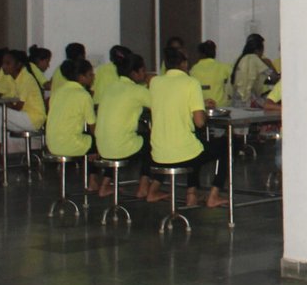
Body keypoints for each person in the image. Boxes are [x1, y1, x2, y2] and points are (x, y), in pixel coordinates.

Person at [144, 48, 227, 208]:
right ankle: (213, 195)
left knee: (196, 143)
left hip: (158, 153)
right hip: (184, 153)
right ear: (184, 64)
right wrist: (202, 110)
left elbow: (171, 100)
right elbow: (200, 122)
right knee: (223, 146)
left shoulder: (155, 83)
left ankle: (192, 195)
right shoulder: (191, 83)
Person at [0, 50, 46, 164]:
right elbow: (9, 99)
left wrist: (1, 101)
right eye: (3, 63)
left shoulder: (26, 79)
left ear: (18, 65)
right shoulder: (12, 79)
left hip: (33, 119)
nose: (4, 67)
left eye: (8, 64)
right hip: (22, 117)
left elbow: (17, 107)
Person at [95, 52, 152, 197]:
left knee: (118, 139)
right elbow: (158, 104)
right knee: (152, 142)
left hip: (102, 146)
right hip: (120, 147)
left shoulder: (110, 88)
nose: (145, 73)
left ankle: (104, 186)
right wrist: (151, 83)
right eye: (143, 70)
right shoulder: (137, 90)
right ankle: (143, 187)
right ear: (134, 73)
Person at [45, 58, 100, 189]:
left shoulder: (58, 92)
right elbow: (93, 126)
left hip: (51, 143)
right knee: (101, 141)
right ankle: (93, 181)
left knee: (90, 140)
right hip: (69, 144)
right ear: (81, 77)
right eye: (90, 74)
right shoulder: (83, 95)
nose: (93, 77)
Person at [228, 33, 273, 107]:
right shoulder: (254, 58)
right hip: (248, 99)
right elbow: (272, 76)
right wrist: (269, 64)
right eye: (262, 51)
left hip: (236, 98)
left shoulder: (239, 59)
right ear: (257, 50)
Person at [189, 41, 231, 107]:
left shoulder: (194, 69)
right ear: (214, 53)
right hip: (221, 106)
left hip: (201, 106)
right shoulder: (223, 67)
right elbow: (236, 78)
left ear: (200, 53)